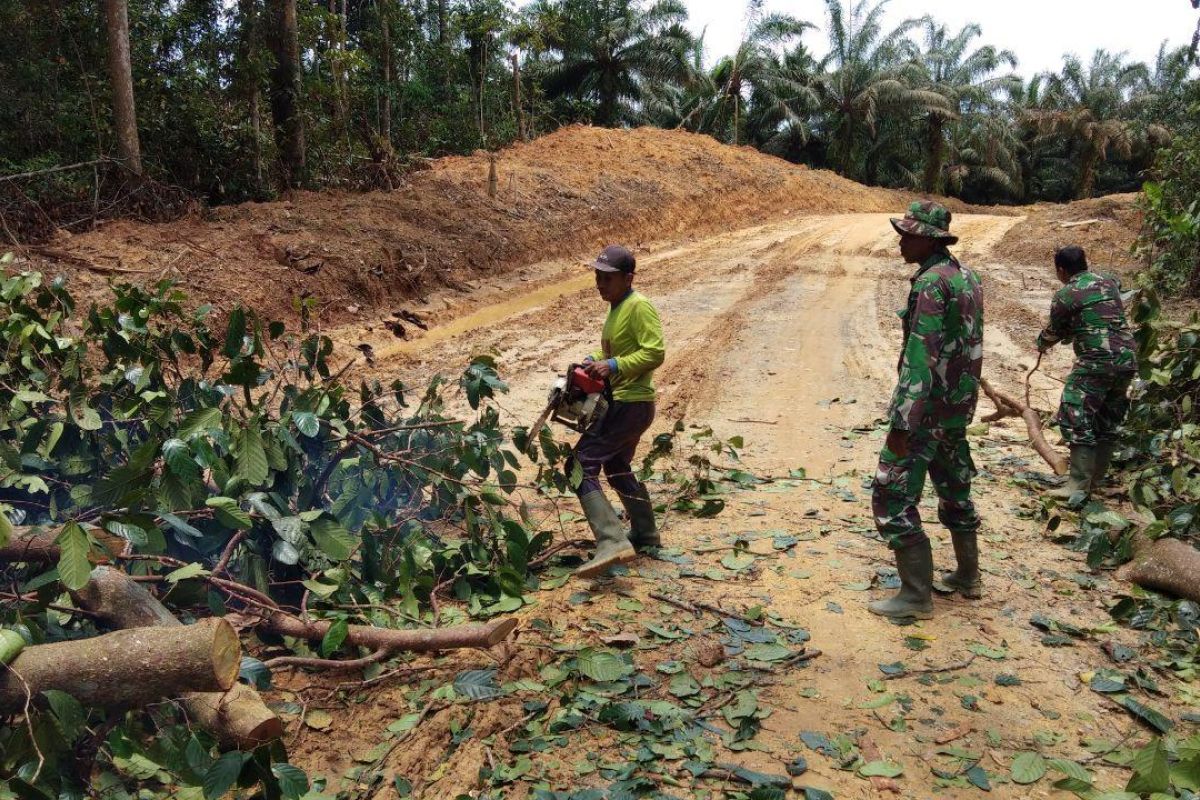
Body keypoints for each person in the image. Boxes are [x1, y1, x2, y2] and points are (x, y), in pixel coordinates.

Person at [869, 201, 985, 620]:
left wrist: (903, 422)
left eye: (909, 235)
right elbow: (970, 347)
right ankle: (968, 576)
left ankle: (916, 596)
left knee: (892, 494)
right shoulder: (966, 277)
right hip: (955, 408)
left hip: (927, 412)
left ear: (930, 239)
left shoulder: (931, 284)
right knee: (955, 485)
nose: (901, 241)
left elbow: (922, 355)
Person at [569, 244, 666, 579]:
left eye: (607, 278)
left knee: (579, 465)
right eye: (597, 276)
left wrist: (613, 365)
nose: (600, 283)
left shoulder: (639, 306)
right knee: (617, 466)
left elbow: (655, 352)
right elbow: (618, 348)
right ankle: (645, 533)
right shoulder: (617, 307)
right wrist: (595, 359)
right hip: (627, 402)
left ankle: (611, 540)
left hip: (631, 402)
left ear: (628, 278)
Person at [1037, 245, 1137, 501]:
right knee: (1107, 418)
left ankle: (1078, 485)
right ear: (1085, 262)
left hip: (1097, 361)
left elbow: (1056, 331)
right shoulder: (1109, 284)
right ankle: (1097, 481)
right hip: (1127, 359)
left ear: (1061, 270)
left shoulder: (1066, 294)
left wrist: (1041, 343)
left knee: (1074, 414)